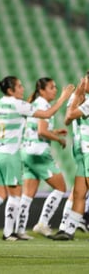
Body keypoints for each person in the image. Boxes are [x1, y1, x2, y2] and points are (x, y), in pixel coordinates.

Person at [0, 76, 74, 241]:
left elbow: (24, 125)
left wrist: (53, 132)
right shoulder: (18, 104)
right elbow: (47, 113)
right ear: (11, 90)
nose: (23, 88)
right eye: (19, 86)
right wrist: (64, 97)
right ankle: (9, 233)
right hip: (10, 155)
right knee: (15, 196)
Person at [15, 78, 68, 239]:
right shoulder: (44, 105)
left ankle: (19, 229)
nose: (55, 89)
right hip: (39, 153)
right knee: (61, 188)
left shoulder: (35, 103)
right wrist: (59, 140)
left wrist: (55, 132)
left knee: (28, 194)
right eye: (52, 87)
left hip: (26, 151)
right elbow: (41, 132)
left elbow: (35, 128)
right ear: (43, 90)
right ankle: (42, 223)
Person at [52, 76, 89, 240]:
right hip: (81, 153)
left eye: (86, 80)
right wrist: (77, 96)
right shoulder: (79, 100)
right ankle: (68, 231)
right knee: (79, 192)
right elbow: (67, 119)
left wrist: (77, 95)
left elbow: (72, 113)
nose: (82, 82)